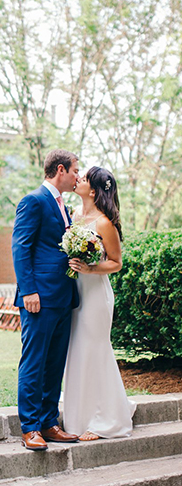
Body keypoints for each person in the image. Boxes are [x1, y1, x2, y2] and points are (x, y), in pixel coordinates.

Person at [11, 149, 80, 451]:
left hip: (64, 296)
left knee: (54, 364)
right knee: (34, 362)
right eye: (76, 170)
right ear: (61, 170)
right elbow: (20, 247)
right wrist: (28, 291)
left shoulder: (64, 206)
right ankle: (30, 428)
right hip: (38, 298)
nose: (79, 176)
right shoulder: (34, 201)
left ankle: (50, 423)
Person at [63, 167, 136, 440]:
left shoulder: (104, 223)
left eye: (82, 179)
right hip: (75, 293)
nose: (77, 180)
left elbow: (116, 262)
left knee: (94, 350)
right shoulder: (74, 216)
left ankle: (106, 418)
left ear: (93, 190)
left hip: (95, 295)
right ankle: (78, 416)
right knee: (77, 351)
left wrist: (90, 269)